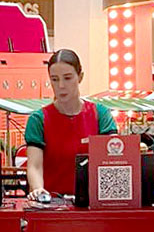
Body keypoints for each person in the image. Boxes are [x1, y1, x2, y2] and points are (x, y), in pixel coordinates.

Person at [25, 49, 117, 199]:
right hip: (53, 204)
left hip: (92, 203)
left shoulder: (100, 114)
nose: (61, 85)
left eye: (67, 78)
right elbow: (34, 166)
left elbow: (113, 160)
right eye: (54, 79)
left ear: (80, 77)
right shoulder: (38, 119)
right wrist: (38, 189)